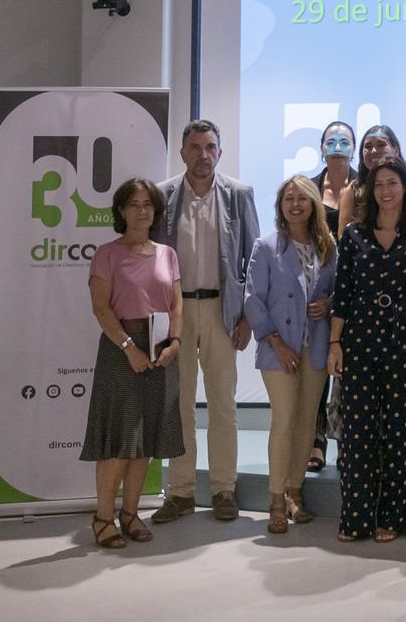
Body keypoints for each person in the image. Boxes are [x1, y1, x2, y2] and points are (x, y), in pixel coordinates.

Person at [151, 120, 259, 524]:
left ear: (220, 151)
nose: (203, 155)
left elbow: (253, 259)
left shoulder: (238, 195)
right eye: (195, 147)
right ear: (182, 153)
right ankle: (178, 493)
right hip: (176, 314)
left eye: (210, 147)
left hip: (221, 311)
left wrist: (247, 315)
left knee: (223, 406)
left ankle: (223, 489)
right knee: (177, 406)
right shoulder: (162, 196)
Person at [327, 156, 406, 543]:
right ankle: (355, 517)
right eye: (378, 184)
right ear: (369, 192)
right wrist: (335, 343)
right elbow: (343, 294)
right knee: (358, 433)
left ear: (405, 188)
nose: (386, 191)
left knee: (402, 433)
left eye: (393, 183)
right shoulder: (354, 234)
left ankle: (395, 516)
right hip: (359, 342)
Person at [81, 178, 184, 548]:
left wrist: (175, 342)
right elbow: (100, 307)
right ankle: (103, 518)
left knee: (144, 440)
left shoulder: (167, 254)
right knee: (118, 441)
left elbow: (176, 305)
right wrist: (129, 347)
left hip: (159, 349)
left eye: (148, 204)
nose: (142, 210)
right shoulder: (107, 254)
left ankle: (130, 513)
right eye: (134, 204)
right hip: (120, 348)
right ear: (121, 211)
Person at [243, 176, 337, 534]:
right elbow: (253, 299)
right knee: (283, 421)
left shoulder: (327, 246)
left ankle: (295, 491)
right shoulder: (266, 247)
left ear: (314, 203)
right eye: (288, 199)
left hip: (313, 347)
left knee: (305, 423)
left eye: (302, 198)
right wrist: (275, 343)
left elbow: (338, 290)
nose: (295, 204)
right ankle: (276, 499)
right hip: (278, 348)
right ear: (280, 206)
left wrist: (328, 304)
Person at [307, 121, 357, 474]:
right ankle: (315, 441)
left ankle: (348, 442)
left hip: (353, 287)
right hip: (314, 287)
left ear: (353, 148)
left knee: (347, 370)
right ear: (321, 147)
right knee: (316, 372)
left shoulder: (366, 186)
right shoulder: (307, 188)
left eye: (344, 141)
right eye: (331, 140)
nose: (337, 145)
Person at [337, 124, 406, 236]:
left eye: (381, 144)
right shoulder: (352, 190)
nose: (374, 151)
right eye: (368, 146)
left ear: (396, 150)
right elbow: (343, 237)